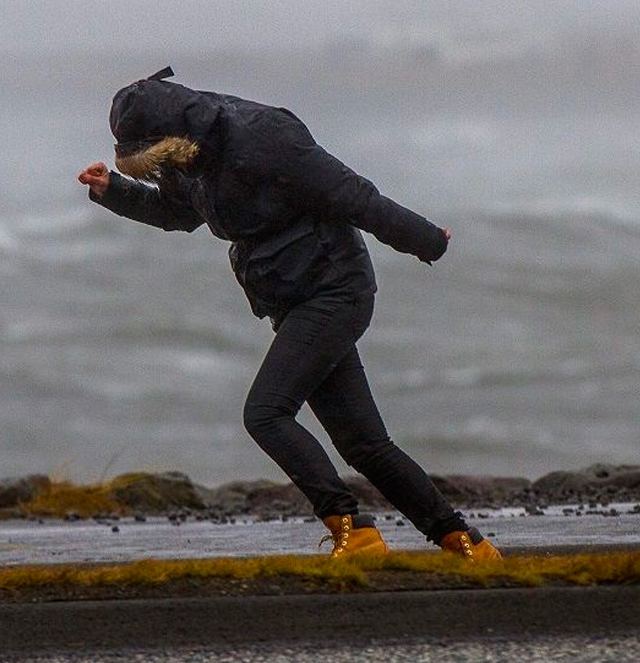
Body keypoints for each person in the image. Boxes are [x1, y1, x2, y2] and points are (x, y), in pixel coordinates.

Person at [76, 67, 500, 561]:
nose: (155, 170)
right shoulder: (188, 159)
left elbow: (355, 197)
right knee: (364, 444)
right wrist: (115, 192)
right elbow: (182, 214)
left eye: (151, 162)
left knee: (266, 413)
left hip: (335, 287)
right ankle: (465, 544)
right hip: (292, 297)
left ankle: (355, 532)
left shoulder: (265, 136)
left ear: (171, 135)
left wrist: (426, 240)